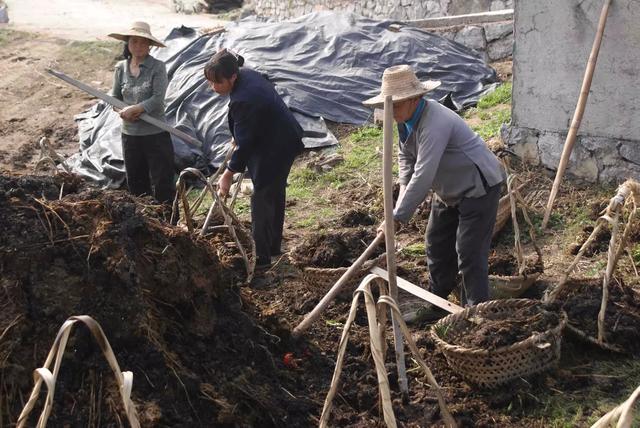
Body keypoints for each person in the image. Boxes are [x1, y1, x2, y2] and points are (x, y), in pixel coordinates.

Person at [364, 64, 506, 316]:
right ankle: (438, 303)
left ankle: (477, 313)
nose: (391, 111)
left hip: (477, 186)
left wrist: (397, 217)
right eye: (390, 105)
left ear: (415, 98)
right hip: (448, 188)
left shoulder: (435, 121)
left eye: (396, 105)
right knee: (436, 243)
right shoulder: (404, 120)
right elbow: (406, 159)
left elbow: (424, 172)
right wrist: (397, 209)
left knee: (469, 252)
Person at [204, 49, 304, 269]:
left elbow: (246, 145)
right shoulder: (247, 75)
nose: (213, 88)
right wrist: (240, 133)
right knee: (274, 192)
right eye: (210, 83)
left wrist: (228, 174)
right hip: (280, 137)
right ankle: (273, 247)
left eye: (217, 83)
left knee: (261, 198)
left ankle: (261, 259)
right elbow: (248, 128)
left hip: (275, 146)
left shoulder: (244, 99)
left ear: (232, 77)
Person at [108, 21, 176, 206]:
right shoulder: (121, 68)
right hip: (130, 136)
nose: (138, 46)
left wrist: (137, 109)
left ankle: (169, 221)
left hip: (155, 134)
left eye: (142, 42)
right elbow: (113, 97)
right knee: (137, 183)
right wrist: (121, 111)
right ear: (128, 44)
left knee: (163, 183)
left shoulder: (158, 67)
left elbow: (157, 98)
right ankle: (145, 221)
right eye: (133, 42)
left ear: (149, 46)